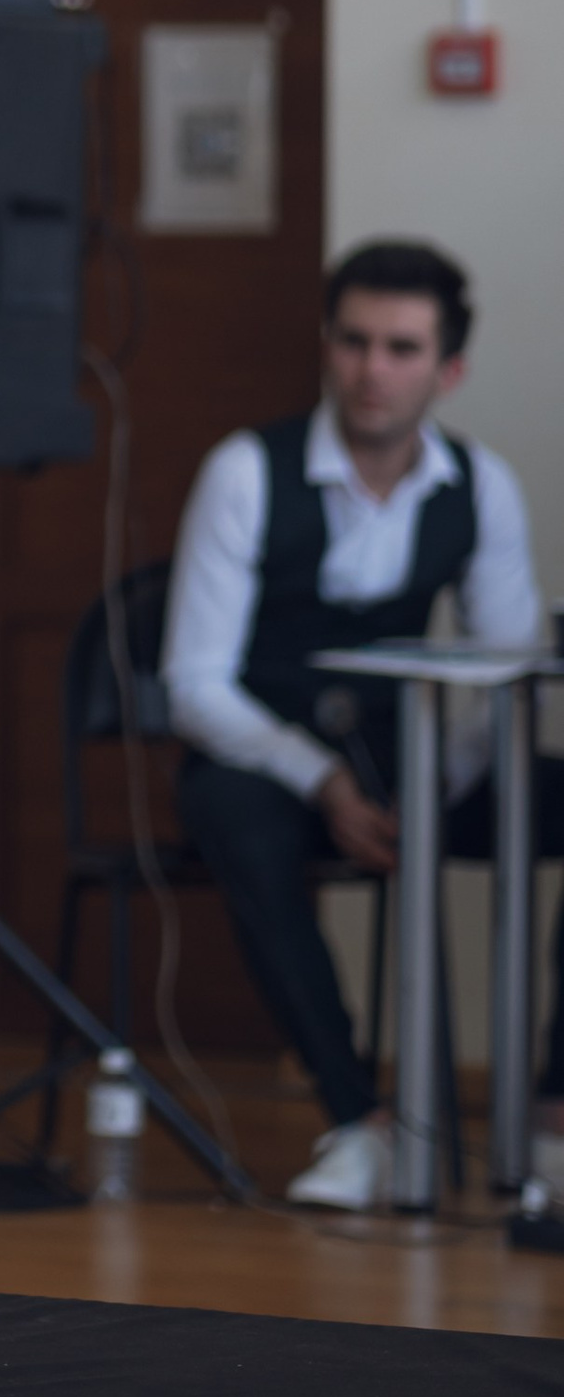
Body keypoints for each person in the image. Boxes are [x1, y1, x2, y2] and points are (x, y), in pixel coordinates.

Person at [164, 238, 564, 1210]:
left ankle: (551, 1119)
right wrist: (324, 783)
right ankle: (359, 1122)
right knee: (232, 815)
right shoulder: (246, 473)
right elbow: (193, 683)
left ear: (446, 368)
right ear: (325, 346)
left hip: (418, 765)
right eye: (353, 343)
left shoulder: (480, 487)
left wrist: (435, 789)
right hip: (276, 766)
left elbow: (505, 670)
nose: (372, 370)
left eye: (400, 348)